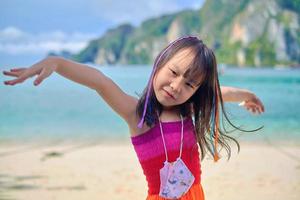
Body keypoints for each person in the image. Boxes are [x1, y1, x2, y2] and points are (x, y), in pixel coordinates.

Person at [2, 36, 264, 200]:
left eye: (189, 84)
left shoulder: (187, 110)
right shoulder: (137, 115)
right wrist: (58, 63)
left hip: (195, 196)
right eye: (173, 72)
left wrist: (248, 94)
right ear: (159, 64)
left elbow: (220, 94)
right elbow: (100, 82)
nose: (176, 86)